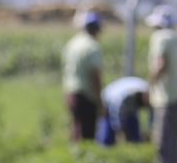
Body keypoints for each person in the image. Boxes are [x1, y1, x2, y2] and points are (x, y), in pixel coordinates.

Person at [146, 5, 177, 163]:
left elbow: (160, 65)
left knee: (164, 141)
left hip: (167, 97)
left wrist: (150, 85)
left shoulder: (160, 38)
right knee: (173, 139)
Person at [62, 10, 104, 142]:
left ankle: (75, 158)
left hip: (70, 93)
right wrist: (99, 100)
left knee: (76, 130)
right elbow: (95, 76)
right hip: (86, 95)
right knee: (87, 135)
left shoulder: (72, 44)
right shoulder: (92, 46)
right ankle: (85, 160)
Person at [97, 76, 150, 146]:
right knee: (108, 136)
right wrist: (118, 129)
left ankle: (135, 143)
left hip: (125, 106)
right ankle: (106, 147)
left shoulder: (147, 91)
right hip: (109, 102)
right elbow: (115, 110)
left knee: (133, 123)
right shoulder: (126, 95)